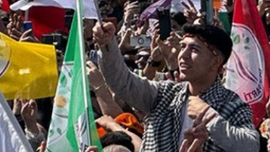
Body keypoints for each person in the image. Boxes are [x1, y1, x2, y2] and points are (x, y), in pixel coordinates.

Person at [93, 21, 260, 152]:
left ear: (215, 61)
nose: (183, 55)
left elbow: (250, 146)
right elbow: (122, 82)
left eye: (194, 49)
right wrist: (107, 45)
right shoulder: (164, 93)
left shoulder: (233, 105)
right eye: (183, 47)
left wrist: (211, 117)